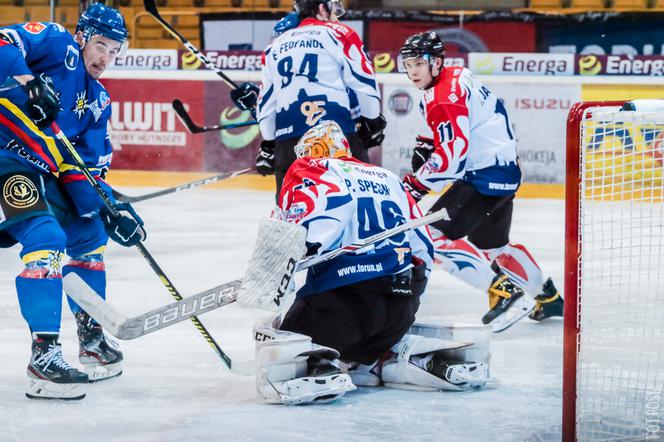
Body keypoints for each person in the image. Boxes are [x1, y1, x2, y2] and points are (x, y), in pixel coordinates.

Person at [246, 121, 489, 405]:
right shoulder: (388, 178)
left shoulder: (313, 167)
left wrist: (267, 278)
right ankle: (384, 356)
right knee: (364, 341)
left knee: (279, 334)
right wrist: (406, 297)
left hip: (341, 308)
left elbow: (308, 229)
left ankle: (318, 364)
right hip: (399, 309)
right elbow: (424, 248)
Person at [0, 4, 145, 400]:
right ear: (82, 37)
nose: (105, 58)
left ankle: (90, 337)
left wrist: (108, 207)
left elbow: (82, 171)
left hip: (41, 173)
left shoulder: (97, 100)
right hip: (3, 159)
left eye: (115, 51)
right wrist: (29, 82)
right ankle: (43, 356)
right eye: (101, 45)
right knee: (46, 239)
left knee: (90, 235)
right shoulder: (55, 42)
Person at [398, 31, 563, 325]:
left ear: (436, 63)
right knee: (493, 246)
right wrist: (427, 142)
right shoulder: (458, 74)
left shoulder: (441, 98)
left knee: (430, 237)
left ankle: (499, 288)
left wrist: (416, 185)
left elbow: (451, 157)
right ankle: (547, 298)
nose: (412, 72)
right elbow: (464, 123)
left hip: (482, 177)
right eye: (407, 64)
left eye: (418, 64)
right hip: (505, 172)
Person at [230, 0, 386, 200]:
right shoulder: (339, 33)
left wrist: (270, 145)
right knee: (362, 202)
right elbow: (365, 84)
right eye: (333, 10)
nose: (336, 16)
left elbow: (267, 106)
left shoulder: (274, 47)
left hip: (288, 142)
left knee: (290, 214)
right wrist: (373, 122)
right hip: (333, 136)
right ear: (322, 8)